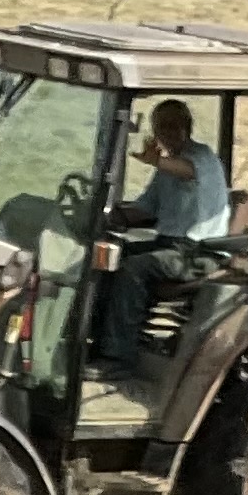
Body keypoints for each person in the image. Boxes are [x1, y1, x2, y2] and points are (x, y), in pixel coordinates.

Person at [92, 100, 232, 372]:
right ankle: (96, 340)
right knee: (107, 254)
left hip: (199, 252)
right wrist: (103, 214)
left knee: (134, 268)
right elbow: (145, 209)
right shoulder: (165, 170)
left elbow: (188, 171)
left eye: (172, 126)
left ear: (187, 127)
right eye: (161, 127)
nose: (166, 133)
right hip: (169, 246)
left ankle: (119, 358)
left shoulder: (201, 158)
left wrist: (157, 160)